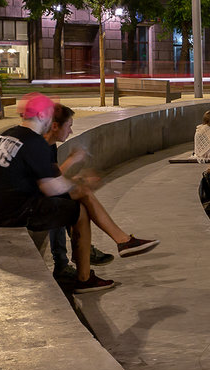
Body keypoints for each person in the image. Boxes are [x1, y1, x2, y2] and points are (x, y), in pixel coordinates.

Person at [0, 93, 113, 293]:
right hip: (12, 212)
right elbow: (52, 188)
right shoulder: (34, 142)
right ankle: (84, 278)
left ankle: (93, 252)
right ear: (42, 116)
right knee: (78, 211)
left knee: (70, 200)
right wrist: (80, 182)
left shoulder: (6, 134)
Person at [42, 104, 158, 277]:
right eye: (69, 126)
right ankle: (117, 242)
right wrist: (73, 162)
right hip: (29, 202)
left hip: (39, 195)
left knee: (77, 204)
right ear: (55, 126)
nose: (72, 131)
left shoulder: (48, 145)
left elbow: (54, 176)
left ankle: (83, 265)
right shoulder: (39, 146)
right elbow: (50, 182)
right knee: (75, 197)